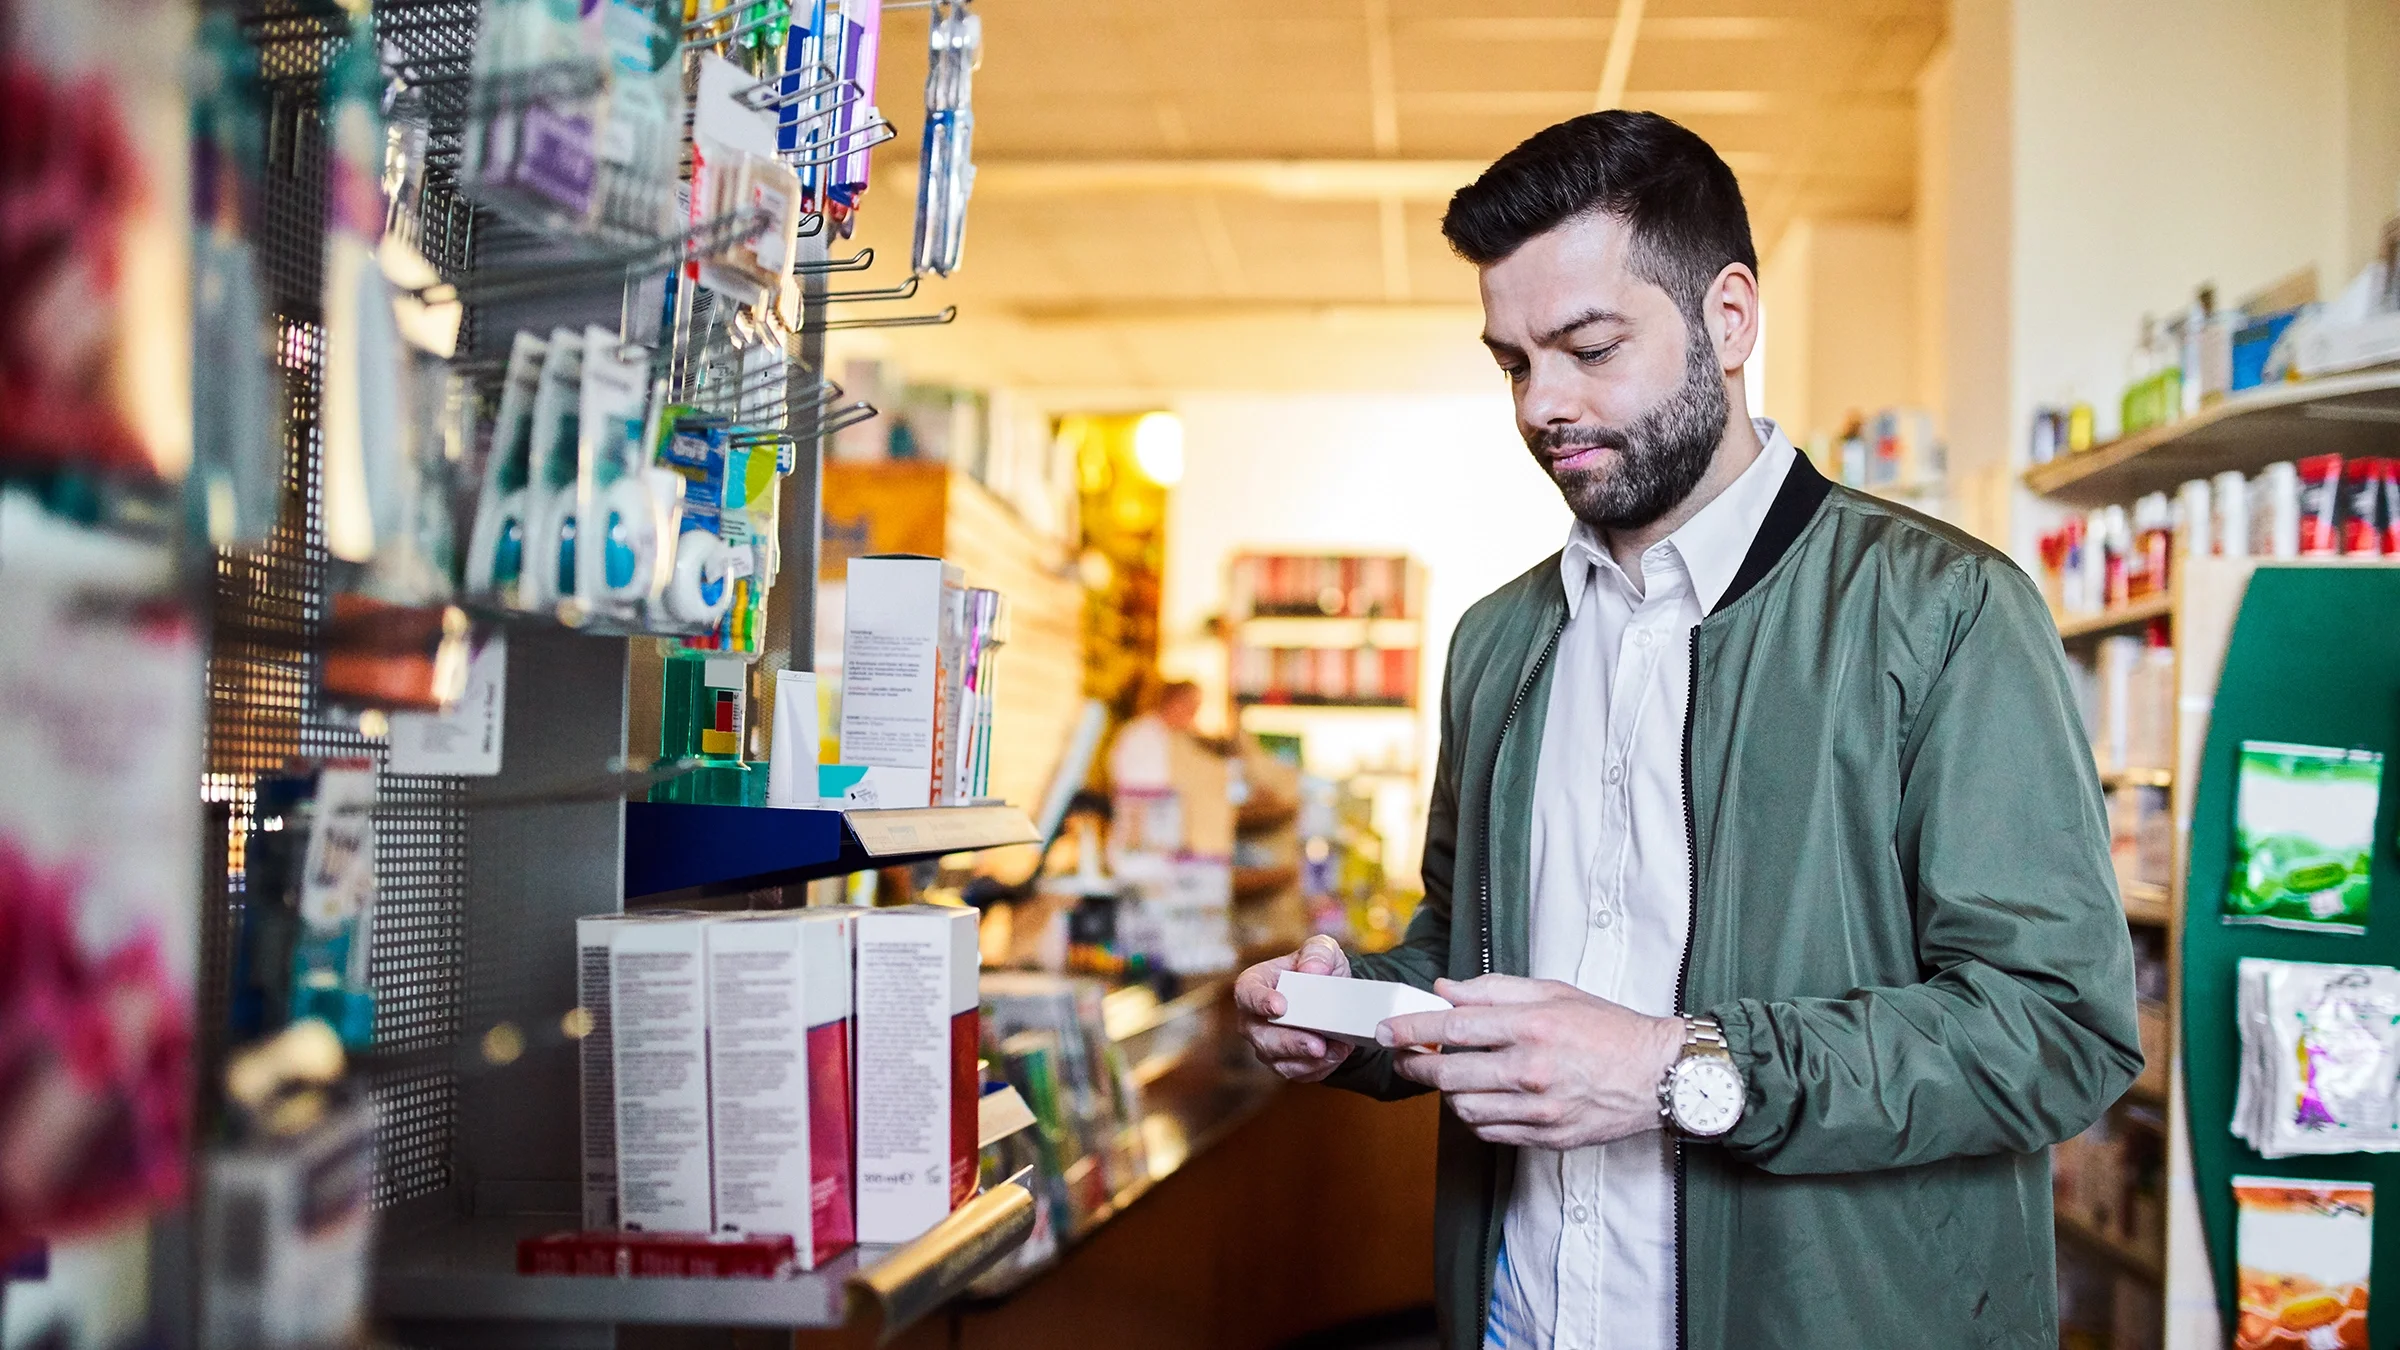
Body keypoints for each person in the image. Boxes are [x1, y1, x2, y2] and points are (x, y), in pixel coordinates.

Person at [1233, 110, 2140, 1350]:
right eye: (1512, 363)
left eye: (1589, 347)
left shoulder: (1943, 611)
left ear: (1728, 318)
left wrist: (1676, 1067)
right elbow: (1469, 951)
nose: (1543, 406)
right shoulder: (1497, 642)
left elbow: (2055, 1029)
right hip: (1527, 1317)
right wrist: (1356, 1013)